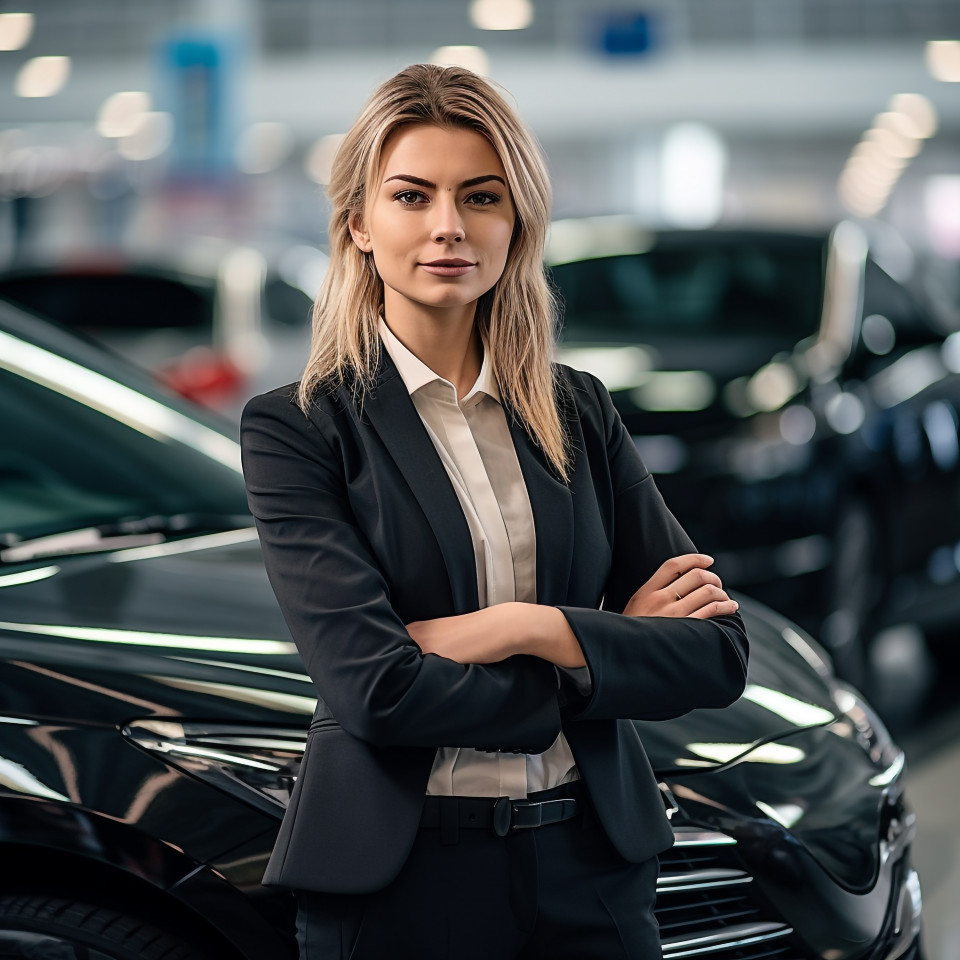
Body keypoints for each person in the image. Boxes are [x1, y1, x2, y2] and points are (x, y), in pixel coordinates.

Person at [240, 63, 749, 960]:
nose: (448, 226)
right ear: (359, 222)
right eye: (411, 195)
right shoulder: (300, 426)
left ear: (516, 225)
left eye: (482, 196)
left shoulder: (579, 410)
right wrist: (599, 647)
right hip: (403, 884)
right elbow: (377, 689)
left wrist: (528, 625)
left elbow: (714, 653)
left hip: (591, 867)